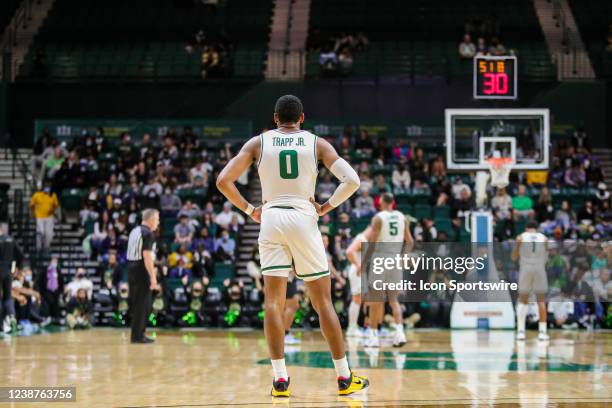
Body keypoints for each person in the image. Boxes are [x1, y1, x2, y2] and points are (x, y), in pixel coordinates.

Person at [216, 95, 367, 397]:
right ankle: (344, 378)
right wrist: (326, 206)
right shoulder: (317, 143)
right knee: (322, 302)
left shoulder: (258, 143)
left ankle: (280, 380)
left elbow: (223, 180)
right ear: (302, 118)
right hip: (303, 217)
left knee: (273, 302)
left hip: (271, 217)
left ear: (275, 119)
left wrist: (250, 209)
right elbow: (352, 180)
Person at [363, 193, 414, 348]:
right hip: (395, 259)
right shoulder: (402, 217)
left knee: (375, 300)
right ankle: (400, 334)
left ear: (381, 203)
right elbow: (410, 241)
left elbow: (371, 243)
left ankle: (373, 337)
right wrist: (403, 257)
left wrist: (364, 262)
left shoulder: (378, 218)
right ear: (393, 203)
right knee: (394, 300)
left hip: (380, 258)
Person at [511, 220, 549, 342]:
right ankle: (542, 332)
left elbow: (513, 257)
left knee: (523, 300)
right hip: (539, 269)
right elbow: (547, 256)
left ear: (527, 228)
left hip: (526, 269)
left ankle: (520, 332)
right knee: (541, 301)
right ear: (536, 228)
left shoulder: (520, 237)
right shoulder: (544, 238)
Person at [126, 209, 160, 344]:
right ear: (150, 219)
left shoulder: (134, 231)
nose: (158, 222)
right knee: (143, 304)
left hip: (131, 267)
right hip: (141, 268)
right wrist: (153, 277)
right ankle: (138, 336)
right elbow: (147, 256)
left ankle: (137, 333)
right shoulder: (148, 233)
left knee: (137, 303)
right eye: (157, 219)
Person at [344, 227, 371, 337]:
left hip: (362, 272)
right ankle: (352, 327)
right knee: (357, 299)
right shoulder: (361, 238)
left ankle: (362, 326)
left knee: (364, 300)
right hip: (358, 272)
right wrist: (358, 265)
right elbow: (349, 252)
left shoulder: (368, 240)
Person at [0, 225, 24, 333]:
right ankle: (12, 317)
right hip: (8, 271)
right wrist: (15, 268)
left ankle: (1, 325)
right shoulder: (11, 240)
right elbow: (20, 255)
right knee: (8, 297)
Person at [29, 183, 59, 252]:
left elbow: (56, 205)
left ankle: (46, 247)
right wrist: (33, 213)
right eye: (46, 187)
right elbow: (31, 205)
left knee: (49, 234)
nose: (47, 189)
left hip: (49, 217)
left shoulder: (53, 195)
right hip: (39, 217)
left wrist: (53, 209)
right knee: (41, 232)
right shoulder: (37, 195)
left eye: (48, 187)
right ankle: (38, 248)